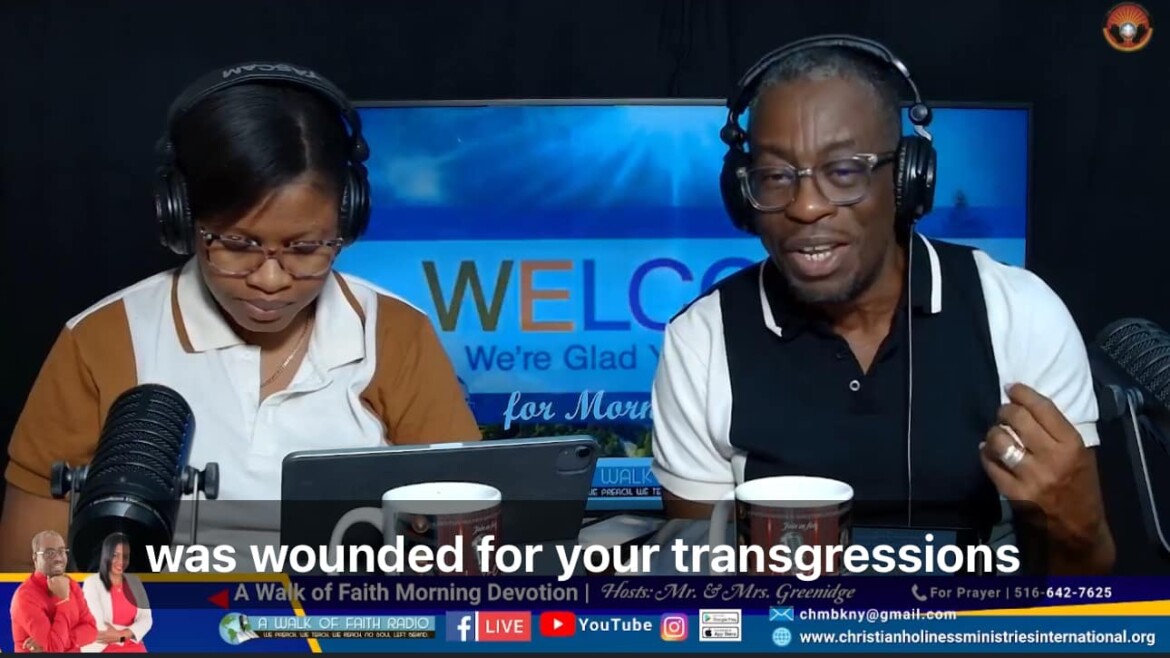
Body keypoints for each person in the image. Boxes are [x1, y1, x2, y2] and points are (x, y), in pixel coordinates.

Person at [650, 36, 1114, 574]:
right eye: (775, 176)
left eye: (844, 171)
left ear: (906, 180)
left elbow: (1085, 580)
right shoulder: (702, 341)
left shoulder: (1021, 313)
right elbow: (699, 591)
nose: (806, 207)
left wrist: (1077, 528)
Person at [0, 62, 480, 569]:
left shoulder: (396, 335)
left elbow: (469, 544)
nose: (270, 280)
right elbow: (24, 577)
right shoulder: (102, 341)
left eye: (305, 248)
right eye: (237, 244)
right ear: (183, 219)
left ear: (347, 223)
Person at [10, 531, 98, 652]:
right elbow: (54, 649)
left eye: (61, 551)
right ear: (35, 557)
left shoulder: (72, 585)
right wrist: (64, 601)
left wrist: (62, 641)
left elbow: (92, 631)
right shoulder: (25, 597)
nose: (58, 558)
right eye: (49, 553)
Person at [81, 534, 151, 653]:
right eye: (115, 555)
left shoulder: (135, 582)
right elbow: (99, 626)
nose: (121, 561)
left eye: (125, 556)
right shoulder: (92, 583)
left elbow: (146, 618)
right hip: (103, 647)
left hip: (133, 646)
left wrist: (122, 635)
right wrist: (131, 633)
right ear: (106, 554)